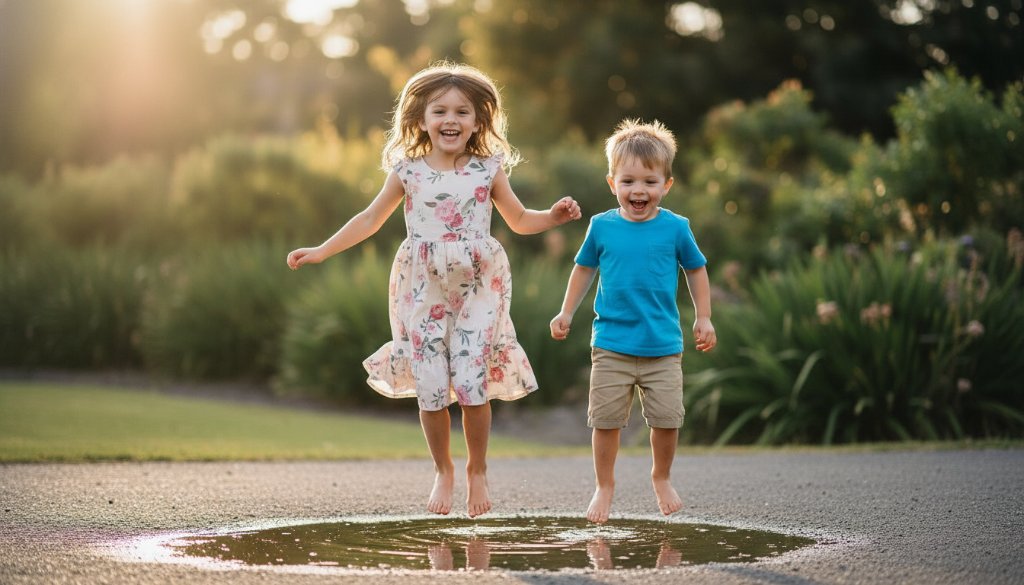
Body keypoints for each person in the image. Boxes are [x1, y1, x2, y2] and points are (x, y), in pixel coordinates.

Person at [286, 62, 581, 518]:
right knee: (429, 385)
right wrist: (322, 250)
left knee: (469, 380)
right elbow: (368, 220)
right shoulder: (408, 172)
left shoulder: (487, 170)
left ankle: (476, 469)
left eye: (462, 112)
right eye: (440, 110)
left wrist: (553, 218)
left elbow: (520, 220)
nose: (451, 120)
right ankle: (444, 468)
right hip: (422, 287)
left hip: (480, 284)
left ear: (478, 121)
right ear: (420, 118)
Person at [549, 119, 716, 524]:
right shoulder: (601, 226)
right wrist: (566, 311)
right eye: (628, 181)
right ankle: (604, 486)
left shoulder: (676, 228)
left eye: (649, 181)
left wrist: (704, 318)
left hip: (662, 346)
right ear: (612, 183)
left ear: (666, 185)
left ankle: (661, 477)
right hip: (611, 345)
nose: (638, 191)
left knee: (666, 420)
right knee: (605, 422)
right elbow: (583, 270)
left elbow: (696, 270)